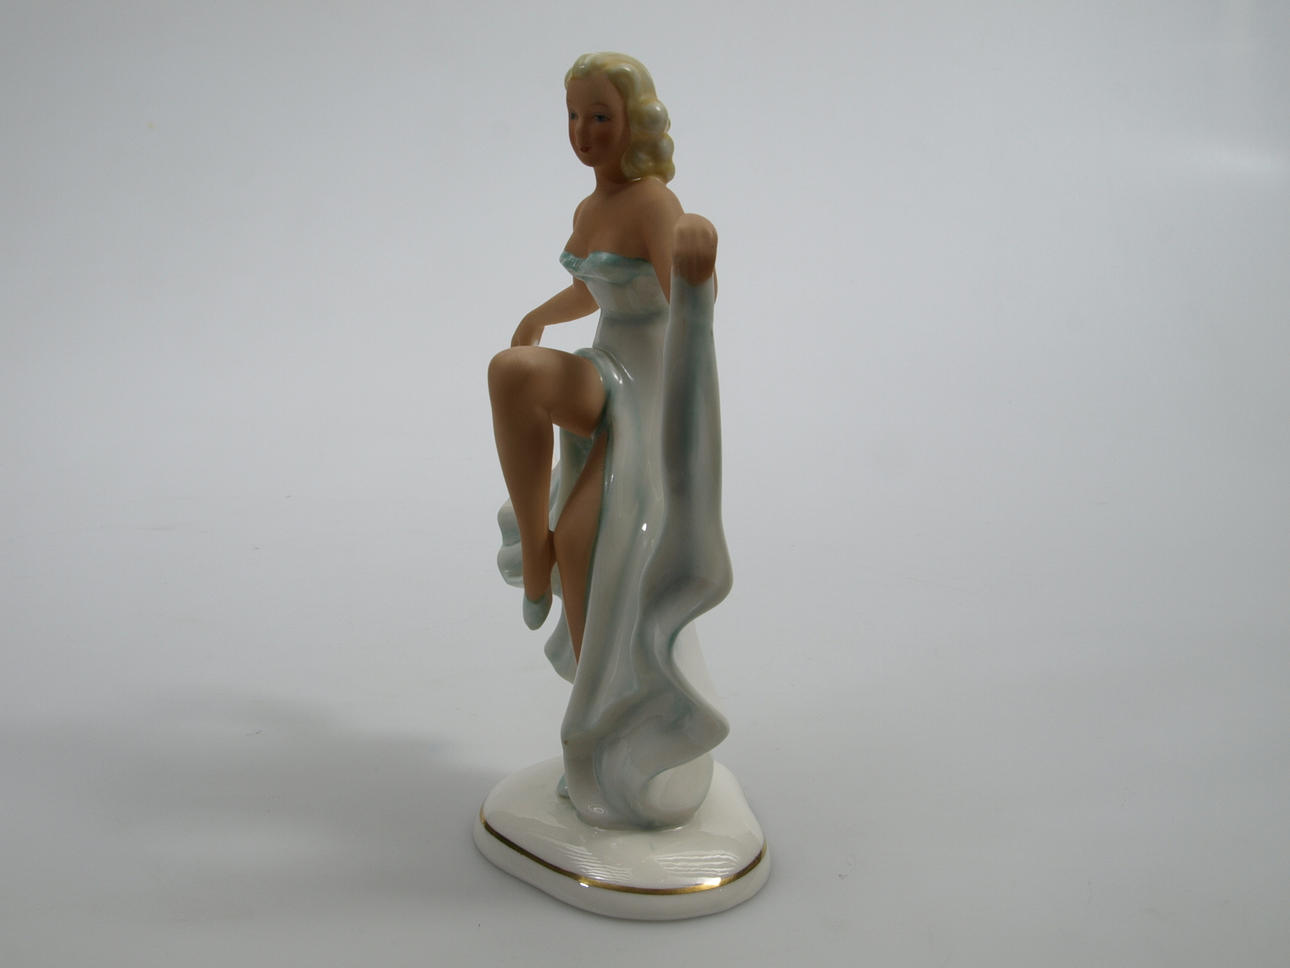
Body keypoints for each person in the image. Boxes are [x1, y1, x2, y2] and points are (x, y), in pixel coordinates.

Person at [488, 52, 729, 829]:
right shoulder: (593, 206)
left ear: (634, 122)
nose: (584, 132)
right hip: (607, 372)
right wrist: (540, 315)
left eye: (600, 116)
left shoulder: (656, 204)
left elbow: (686, 297)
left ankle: (607, 718)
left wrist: (699, 268)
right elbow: (590, 287)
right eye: (573, 115)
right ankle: (534, 554)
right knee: (513, 372)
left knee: (588, 540)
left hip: (649, 395)